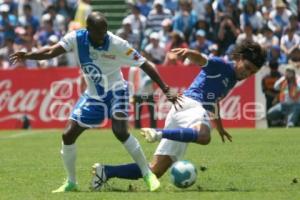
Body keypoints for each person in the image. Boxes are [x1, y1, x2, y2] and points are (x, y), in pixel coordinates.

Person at [9, 11, 180, 193]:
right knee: (68, 134)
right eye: (98, 33)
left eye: (104, 32)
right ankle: (71, 182)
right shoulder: (76, 38)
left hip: (117, 91)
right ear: (88, 29)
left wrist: (165, 88)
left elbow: (145, 64)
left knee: (120, 131)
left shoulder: (117, 44)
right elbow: (51, 51)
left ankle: (148, 174)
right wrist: (28, 56)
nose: (102, 37)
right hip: (93, 96)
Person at [90, 40, 267, 190]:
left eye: (252, 72)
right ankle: (159, 133)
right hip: (191, 105)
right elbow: (203, 60)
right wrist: (189, 52)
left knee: (154, 171)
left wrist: (219, 127)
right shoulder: (223, 65)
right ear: (241, 59)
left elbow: (213, 101)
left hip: (182, 110)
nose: (248, 73)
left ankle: (105, 171)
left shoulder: (232, 79)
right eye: (248, 67)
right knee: (204, 137)